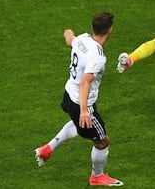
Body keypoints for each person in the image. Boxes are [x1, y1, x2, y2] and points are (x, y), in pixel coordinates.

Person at [35, 12, 123, 187]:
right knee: (102, 140)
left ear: (93, 28)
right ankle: (97, 177)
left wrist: (68, 33)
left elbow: (71, 39)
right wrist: (84, 110)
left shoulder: (83, 39)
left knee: (77, 124)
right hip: (81, 103)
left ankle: (47, 149)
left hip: (68, 95)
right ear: (110, 30)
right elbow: (86, 81)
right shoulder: (98, 57)